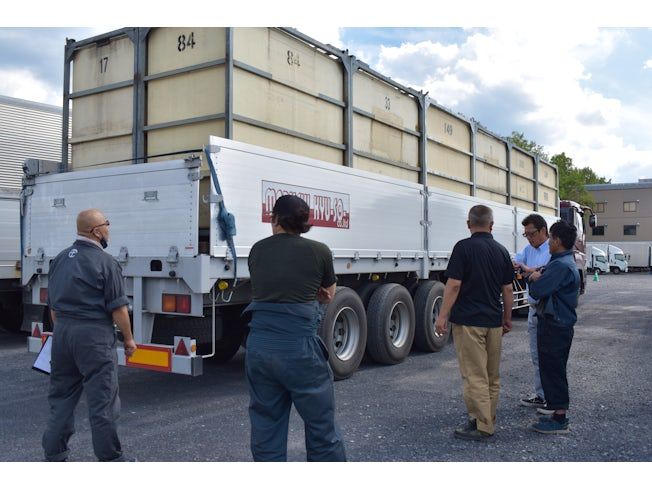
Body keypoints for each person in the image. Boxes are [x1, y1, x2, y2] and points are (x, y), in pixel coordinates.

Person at [244, 194, 346, 461]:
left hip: (260, 346)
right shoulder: (319, 251)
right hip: (299, 348)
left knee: (266, 426)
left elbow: (267, 288)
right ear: (303, 222)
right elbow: (329, 294)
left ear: (275, 218)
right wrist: (316, 294)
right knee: (320, 426)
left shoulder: (257, 250)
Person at [43, 209, 137, 462]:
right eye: (107, 224)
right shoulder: (106, 262)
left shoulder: (60, 259)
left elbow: (53, 307)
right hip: (93, 336)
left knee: (61, 397)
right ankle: (111, 459)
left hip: (62, 332)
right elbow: (118, 309)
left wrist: (64, 331)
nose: (108, 228)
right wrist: (128, 339)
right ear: (96, 231)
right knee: (103, 400)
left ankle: (54, 454)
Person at [435, 205, 514, 442]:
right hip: (493, 321)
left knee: (474, 375)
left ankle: (482, 425)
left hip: (469, 322)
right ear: (492, 225)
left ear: (469, 224)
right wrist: (507, 318)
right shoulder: (501, 251)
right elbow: (508, 289)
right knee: (491, 376)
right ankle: (486, 417)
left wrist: (442, 316)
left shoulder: (463, 248)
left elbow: (454, 284)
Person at [527, 220, 580, 434]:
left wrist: (533, 278)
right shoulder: (564, 261)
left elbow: (538, 290)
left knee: (554, 369)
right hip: (559, 322)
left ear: (557, 240)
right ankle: (555, 409)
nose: (548, 242)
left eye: (550, 238)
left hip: (555, 324)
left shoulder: (560, 265)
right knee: (552, 368)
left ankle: (559, 418)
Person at [513, 214, 551, 412]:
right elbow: (516, 260)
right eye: (526, 234)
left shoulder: (553, 249)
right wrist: (516, 264)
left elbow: (548, 270)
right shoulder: (528, 249)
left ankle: (552, 399)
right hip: (533, 308)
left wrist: (528, 269)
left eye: (532, 234)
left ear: (543, 230)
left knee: (550, 356)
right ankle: (541, 395)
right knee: (536, 355)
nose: (529, 238)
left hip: (548, 310)